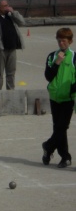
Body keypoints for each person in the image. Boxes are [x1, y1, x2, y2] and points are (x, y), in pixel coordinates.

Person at [41, 28, 76, 168]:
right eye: (59, 40)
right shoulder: (52, 56)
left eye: (64, 41)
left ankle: (48, 146)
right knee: (58, 128)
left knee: (62, 126)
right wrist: (57, 63)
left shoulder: (74, 57)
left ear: (70, 41)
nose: (61, 43)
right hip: (54, 97)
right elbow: (48, 76)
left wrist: (72, 89)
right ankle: (65, 157)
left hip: (68, 98)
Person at [0, 0, 25, 90]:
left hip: (12, 48)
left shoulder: (10, 15)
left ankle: (11, 93)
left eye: (7, 5)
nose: (7, 7)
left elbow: (22, 22)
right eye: (5, 6)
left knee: (11, 73)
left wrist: (14, 12)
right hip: (0, 50)